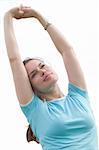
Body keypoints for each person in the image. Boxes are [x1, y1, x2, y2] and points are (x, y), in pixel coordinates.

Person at [4, 5, 98, 150]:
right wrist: (8, 16)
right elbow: (14, 60)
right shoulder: (35, 110)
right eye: (34, 74)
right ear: (31, 87)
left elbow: (67, 51)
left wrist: (39, 17)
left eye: (42, 66)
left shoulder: (79, 96)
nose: (42, 71)